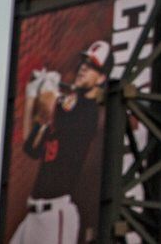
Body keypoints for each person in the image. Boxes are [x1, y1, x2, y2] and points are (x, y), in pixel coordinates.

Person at [11, 40, 111, 244]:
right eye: (84, 61)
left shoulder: (87, 109)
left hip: (56, 215)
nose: (84, 67)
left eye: (92, 65)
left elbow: (50, 105)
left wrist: (49, 91)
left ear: (101, 78)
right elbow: (32, 148)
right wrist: (31, 97)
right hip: (32, 216)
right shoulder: (70, 105)